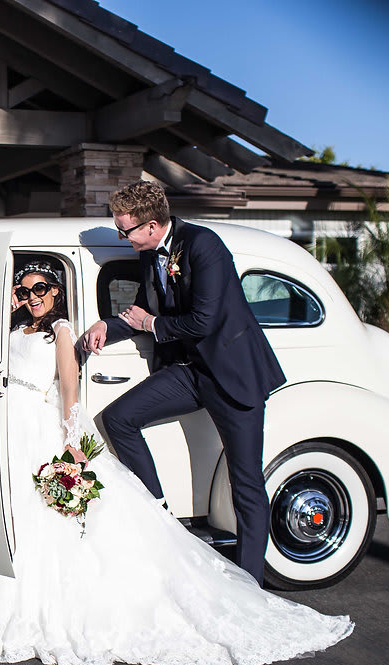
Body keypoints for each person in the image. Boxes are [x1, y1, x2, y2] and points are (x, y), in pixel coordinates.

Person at [0, 262, 352, 665]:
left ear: (57, 292)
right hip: (4, 425)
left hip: (36, 425)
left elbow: (69, 387)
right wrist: (11, 309)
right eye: (24, 290)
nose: (33, 296)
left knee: (45, 518)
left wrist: (72, 440)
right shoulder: (12, 329)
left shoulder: (60, 331)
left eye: (41, 288)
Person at [80, 181, 284, 585]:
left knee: (245, 482)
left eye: (125, 230)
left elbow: (204, 320)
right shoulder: (148, 252)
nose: (122, 237)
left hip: (232, 374)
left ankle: (251, 584)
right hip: (189, 371)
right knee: (119, 418)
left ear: (152, 226)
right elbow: (143, 310)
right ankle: (158, 515)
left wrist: (150, 324)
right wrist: (108, 325)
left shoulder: (203, 245)